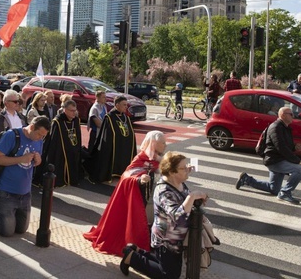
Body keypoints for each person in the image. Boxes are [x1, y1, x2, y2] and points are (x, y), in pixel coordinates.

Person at [119, 151, 209, 279]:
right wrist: (192, 196)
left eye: (187, 166)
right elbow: (179, 217)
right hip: (165, 240)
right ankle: (131, 257)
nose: (188, 170)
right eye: (183, 168)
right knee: (168, 276)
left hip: (175, 239)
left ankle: (136, 251)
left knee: (168, 269)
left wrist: (196, 197)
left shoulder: (178, 183)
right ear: (172, 172)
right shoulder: (164, 191)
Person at [84, 131, 166, 256]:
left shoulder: (161, 158)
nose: (165, 145)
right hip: (141, 199)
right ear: (153, 143)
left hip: (155, 198)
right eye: (162, 143)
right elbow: (127, 175)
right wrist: (138, 179)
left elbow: (173, 166)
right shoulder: (141, 158)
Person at [0, 116, 49, 237]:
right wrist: (21, 159)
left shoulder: (39, 140)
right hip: (7, 190)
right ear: (31, 127)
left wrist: (38, 160)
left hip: (25, 192)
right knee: (7, 231)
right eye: (39, 134)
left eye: (43, 136)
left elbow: (36, 162)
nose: (40, 138)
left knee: (21, 229)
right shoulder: (11, 135)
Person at [235, 107, 301, 204]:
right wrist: (298, 161)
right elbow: (280, 147)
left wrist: (295, 147)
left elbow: (285, 146)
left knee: (274, 189)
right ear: (282, 115)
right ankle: (285, 193)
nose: (293, 116)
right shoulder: (276, 127)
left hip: (279, 159)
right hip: (275, 161)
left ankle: (246, 179)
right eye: (290, 114)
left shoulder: (285, 127)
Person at [84, 95, 136, 183]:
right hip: (113, 145)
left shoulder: (126, 117)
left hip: (123, 144)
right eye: (124, 105)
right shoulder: (109, 117)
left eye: (126, 105)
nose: (126, 107)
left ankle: (121, 171)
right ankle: (110, 173)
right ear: (117, 105)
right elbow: (106, 134)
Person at [38, 99, 81, 187]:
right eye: (71, 111)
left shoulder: (76, 121)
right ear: (65, 110)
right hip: (60, 150)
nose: (74, 113)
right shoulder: (57, 121)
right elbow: (54, 141)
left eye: (75, 110)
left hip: (72, 148)